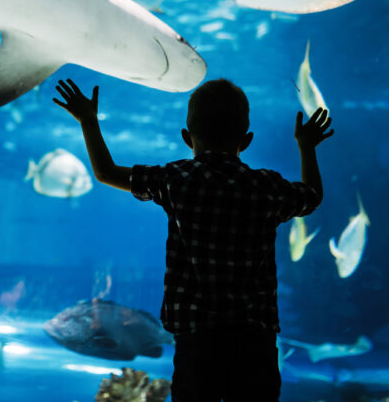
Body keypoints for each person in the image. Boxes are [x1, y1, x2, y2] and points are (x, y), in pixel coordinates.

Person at [53, 77, 333, 402]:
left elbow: (105, 172)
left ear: (187, 137)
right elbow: (311, 197)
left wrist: (88, 120)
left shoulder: (177, 180)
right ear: (247, 140)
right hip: (254, 339)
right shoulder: (265, 187)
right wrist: (307, 147)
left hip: (195, 338)